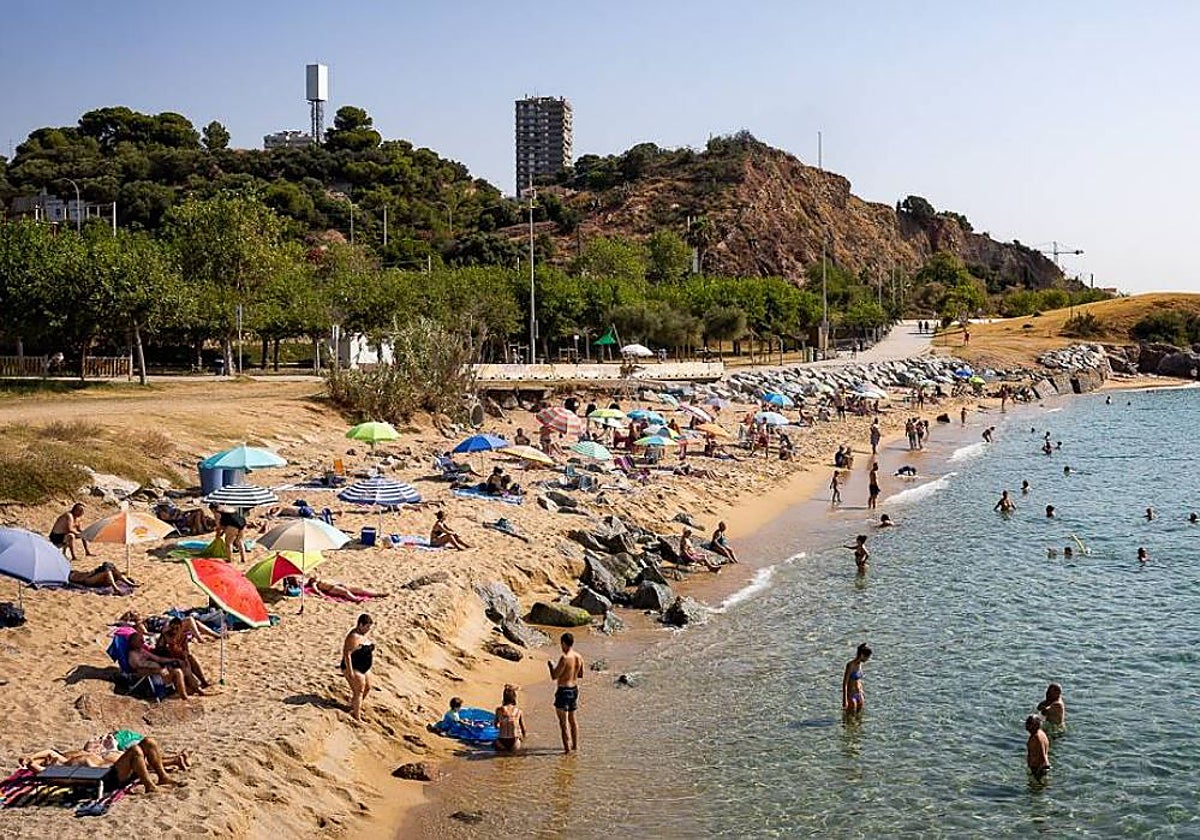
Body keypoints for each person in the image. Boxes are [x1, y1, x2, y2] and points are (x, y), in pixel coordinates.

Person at [127, 631, 191, 700]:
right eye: (140, 640)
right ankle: (184, 697)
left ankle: (187, 690)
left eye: (143, 640)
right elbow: (139, 670)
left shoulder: (141, 651)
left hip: (159, 674)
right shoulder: (132, 655)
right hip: (151, 678)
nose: (143, 642)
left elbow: (159, 659)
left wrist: (174, 660)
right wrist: (157, 670)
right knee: (177, 672)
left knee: (179, 666)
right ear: (133, 642)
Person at [548, 632, 584, 753]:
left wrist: (551, 666)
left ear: (564, 643)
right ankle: (575, 746)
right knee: (573, 720)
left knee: (563, 722)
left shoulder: (564, 657)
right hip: (574, 689)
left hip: (563, 690)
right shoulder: (579, 657)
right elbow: (581, 674)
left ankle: (567, 750)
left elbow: (554, 676)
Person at [155, 617, 211, 693]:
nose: (174, 630)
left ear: (181, 628)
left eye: (176, 628)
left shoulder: (183, 636)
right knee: (183, 665)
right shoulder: (166, 636)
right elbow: (160, 651)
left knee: (190, 658)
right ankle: (198, 689)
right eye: (172, 628)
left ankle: (203, 681)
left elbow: (186, 651)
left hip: (177, 658)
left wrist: (185, 658)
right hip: (167, 659)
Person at [342, 614, 374, 722]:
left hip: (364, 666)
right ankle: (357, 717)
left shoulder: (363, 634)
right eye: (367, 627)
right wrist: (350, 671)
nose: (368, 630)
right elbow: (347, 654)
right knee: (359, 691)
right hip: (354, 666)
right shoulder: (353, 636)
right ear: (360, 625)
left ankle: (354, 705)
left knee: (368, 687)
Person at [494, 684, 528, 753]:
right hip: (514, 741)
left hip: (501, 741)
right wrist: (524, 739)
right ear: (514, 698)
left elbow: (495, 725)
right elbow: (523, 729)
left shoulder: (499, 710)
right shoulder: (518, 711)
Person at [69, 560, 137, 594]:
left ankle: (129, 584)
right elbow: (83, 578)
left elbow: (88, 573)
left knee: (109, 567)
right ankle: (116, 587)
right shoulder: (73, 575)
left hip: (97, 578)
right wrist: (91, 573)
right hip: (88, 581)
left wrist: (93, 571)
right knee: (107, 568)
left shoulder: (75, 573)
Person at [304, 575, 388, 601]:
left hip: (339, 584)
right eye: (314, 577)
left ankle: (377, 594)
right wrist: (321, 594)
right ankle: (355, 599)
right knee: (345, 592)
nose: (315, 576)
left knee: (360, 589)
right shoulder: (315, 583)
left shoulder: (322, 578)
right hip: (332, 588)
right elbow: (316, 589)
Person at [842, 643, 872, 713]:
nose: (868, 659)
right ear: (862, 655)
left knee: (859, 717)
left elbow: (859, 680)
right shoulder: (850, 665)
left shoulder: (860, 665)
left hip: (859, 693)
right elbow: (845, 683)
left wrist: (862, 691)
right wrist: (845, 699)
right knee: (850, 717)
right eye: (867, 657)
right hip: (851, 694)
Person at [1026, 715, 1051, 780]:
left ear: (1037, 725)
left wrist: (1037, 773)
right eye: (1027, 723)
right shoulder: (1040, 733)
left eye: (1031, 724)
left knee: (1035, 789)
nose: (1028, 726)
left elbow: (1043, 758)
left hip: (1038, 768)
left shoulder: (1036, 738)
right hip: (1041, 767)